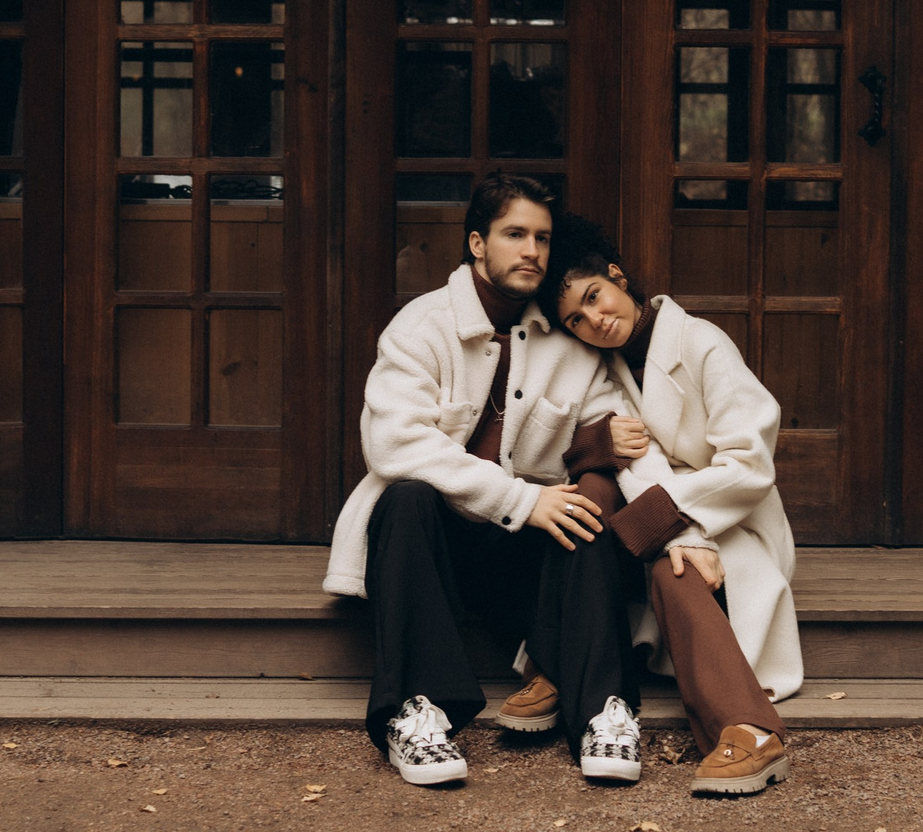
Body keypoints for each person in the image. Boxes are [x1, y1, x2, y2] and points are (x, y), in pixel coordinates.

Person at [323, 173, 671, 788]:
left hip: (525, 567)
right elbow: (394, 442)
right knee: (404, 498)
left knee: (592, 496)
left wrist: (679, 527)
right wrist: (519, 499)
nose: (532, 251)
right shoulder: (420, 325)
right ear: (478, 243)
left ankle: (604, 711)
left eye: (542, 237)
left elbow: (618, 430)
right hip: (434, 552)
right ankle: (417, 712)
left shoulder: (570, 340)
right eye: (515, 234)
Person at [535, 212, 804, 797]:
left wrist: (673, 525)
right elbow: (615, 456)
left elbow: (750, 464)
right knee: (600, 490)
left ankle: (750, 730)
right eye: (576, 319)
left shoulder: (701, 342)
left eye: (595, 297)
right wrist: (614, 465)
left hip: (731, 515)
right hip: (657, 513)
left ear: (617, 277)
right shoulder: (601, 368)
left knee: (670, 560)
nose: (594, 320)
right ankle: (559, 661)